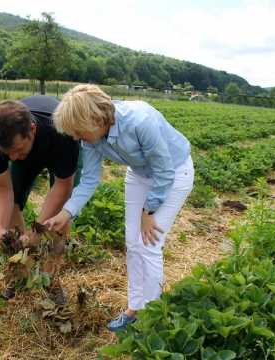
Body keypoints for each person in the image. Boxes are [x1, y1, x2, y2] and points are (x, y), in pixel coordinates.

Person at [44, 84, 194, 331]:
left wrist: (148, 212)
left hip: (174, 172)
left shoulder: (140, 122)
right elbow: (90, 180)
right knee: (132, 243)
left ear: (95, 119)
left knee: (149, 243)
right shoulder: (91, 137)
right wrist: (65, 213)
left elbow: (165, 172)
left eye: (77, 130)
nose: (74, 137)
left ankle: (151, 317)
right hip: (139, 173)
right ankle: (135, 308)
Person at [0, 95, 82, 306]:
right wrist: (0, 229)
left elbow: (63, 187)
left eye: (17, 150)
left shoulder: (63, 133)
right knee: (13, 204)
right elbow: (2, 187)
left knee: (60, 216)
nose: (13, 158)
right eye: (7, 152)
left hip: (56, 147)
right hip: (31, 146)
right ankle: (20, 271)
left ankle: (50, 280)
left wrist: (39, 230)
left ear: (32, 130)